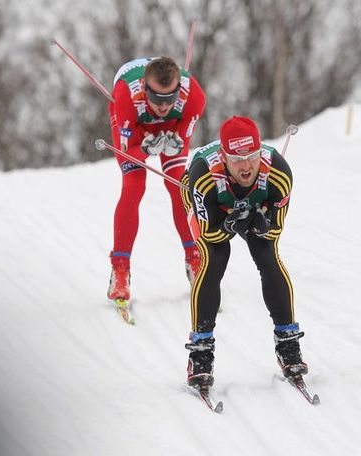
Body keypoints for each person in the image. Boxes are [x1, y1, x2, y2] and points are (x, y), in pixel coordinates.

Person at [181, 116, 309, 388]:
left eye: (252, 156)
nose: (247, 165)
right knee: (215, 260)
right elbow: (206, 233)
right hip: (214, 206)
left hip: (255, 204)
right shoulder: (203, 175)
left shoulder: (278, 172)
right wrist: (228, 223)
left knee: (267, 256)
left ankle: (288, 346)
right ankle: (200, 352)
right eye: (237, 159)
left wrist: (262, 225)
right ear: (223, 157)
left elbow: (275, 230)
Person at [106, 56, 206, 303]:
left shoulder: (193, 98)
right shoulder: (126, 98)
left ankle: (195, 259)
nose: (163, 105)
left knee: (178, 186)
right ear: (144, 87)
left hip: (173, 125)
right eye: (157, 98)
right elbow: (127, 150)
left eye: (169, 98)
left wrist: (175, 140)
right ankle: (120, 271)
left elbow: (182, 136)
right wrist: (146, 149)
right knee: (133, 186)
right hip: (136, 127)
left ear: (179, 90)